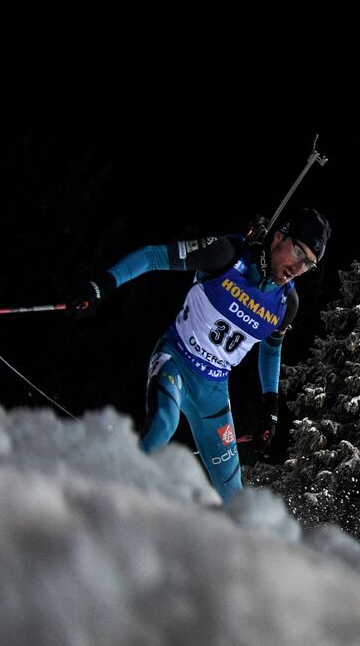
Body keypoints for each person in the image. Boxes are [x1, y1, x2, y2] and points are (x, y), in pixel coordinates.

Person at [68, 208, 331, 502]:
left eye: (308, 263)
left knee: (233, 489)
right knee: (163, 422)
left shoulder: (285, 303)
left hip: (214, 392)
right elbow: (155, 256)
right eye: (297, 252)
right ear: (279, 237)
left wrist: (270, 406)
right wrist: (104, 284)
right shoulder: (227, 255)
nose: (298, 267)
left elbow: (271, 349)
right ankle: (100, 501)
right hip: (176, 359)